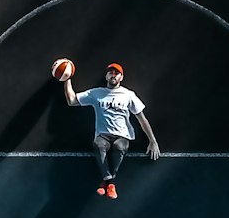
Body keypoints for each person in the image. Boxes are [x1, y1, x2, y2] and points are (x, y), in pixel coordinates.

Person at [61, 62, 160, 199]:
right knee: (98, 144)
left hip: (122, 136)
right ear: (106, 76)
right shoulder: (96, 93)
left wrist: (152, 141)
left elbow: (142, 119)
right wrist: (67, 79)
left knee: (119, 147)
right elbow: (72, 101)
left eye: (116, 73)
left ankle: (106, 182)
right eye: (110, 72)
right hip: (103, 135)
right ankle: (110, 181)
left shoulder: (128, 95)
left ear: (121, 77)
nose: (113, 75)